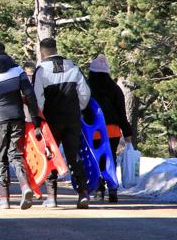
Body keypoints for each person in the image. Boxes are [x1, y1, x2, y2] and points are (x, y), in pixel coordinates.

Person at [0, 42, 38, 210]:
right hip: (16, 116)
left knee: (0, 158)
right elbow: (29, 94)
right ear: (4, 52)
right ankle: (25, 186)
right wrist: (34, 118)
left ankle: (4, 199)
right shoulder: (17, 70)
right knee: (16, 154)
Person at [33, 38, 92, 209]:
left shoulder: (42, 70)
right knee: (74, 154)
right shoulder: (73, 66)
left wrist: (38, 119)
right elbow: (85, 93)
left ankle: (51, 197)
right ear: (56, 48)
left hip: (51, 120)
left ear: (42, 51)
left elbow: (38, 99)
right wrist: (78, 108)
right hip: (72, 118)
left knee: (51, 154)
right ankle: (83, 192)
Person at [87, 54, 133, 203]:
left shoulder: (87, 88)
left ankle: (99, 187)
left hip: (93, 129)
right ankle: (112, 188)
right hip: (112, 131)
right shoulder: (115, 89)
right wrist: (127, 132)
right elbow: (121, 113)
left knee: (95, 158)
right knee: (110, 158)